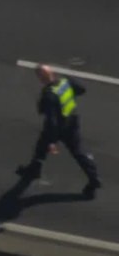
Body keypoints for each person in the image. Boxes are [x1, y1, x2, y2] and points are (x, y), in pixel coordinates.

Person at [16, 64, 102, 198]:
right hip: (72, 120)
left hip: (60, 127)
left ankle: (35, 169)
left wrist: (52, 141)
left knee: (45, 145)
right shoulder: (65, 82)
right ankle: (93, 178)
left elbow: (52, 121)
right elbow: (81, 89)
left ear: (41, 78)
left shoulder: (49, 95)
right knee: (77, 151)